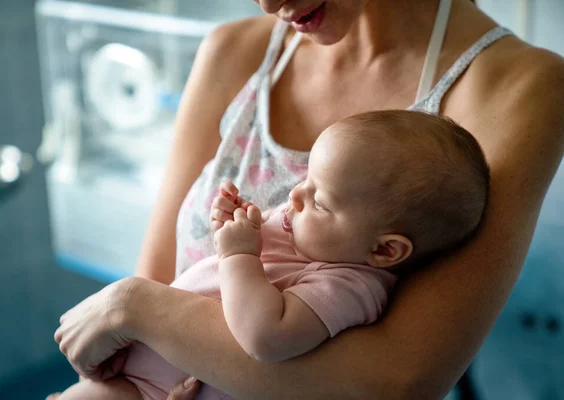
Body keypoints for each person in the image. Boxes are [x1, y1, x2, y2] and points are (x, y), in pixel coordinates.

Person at [50, 0, 564, 398]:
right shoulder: (234, 52)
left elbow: (394, 383)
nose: (268, 3)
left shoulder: (519, 87)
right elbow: (153, 287)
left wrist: (134, 306)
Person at [51, 110, 490, 399]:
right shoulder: (314, 232)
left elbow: (265, 336)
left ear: (384, 249)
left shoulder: (349, 285)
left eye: (320, 200)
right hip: (142, 369)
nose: (296, 195)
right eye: (308, 180)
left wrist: (239, 254)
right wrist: (233, 220)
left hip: (159, 389)